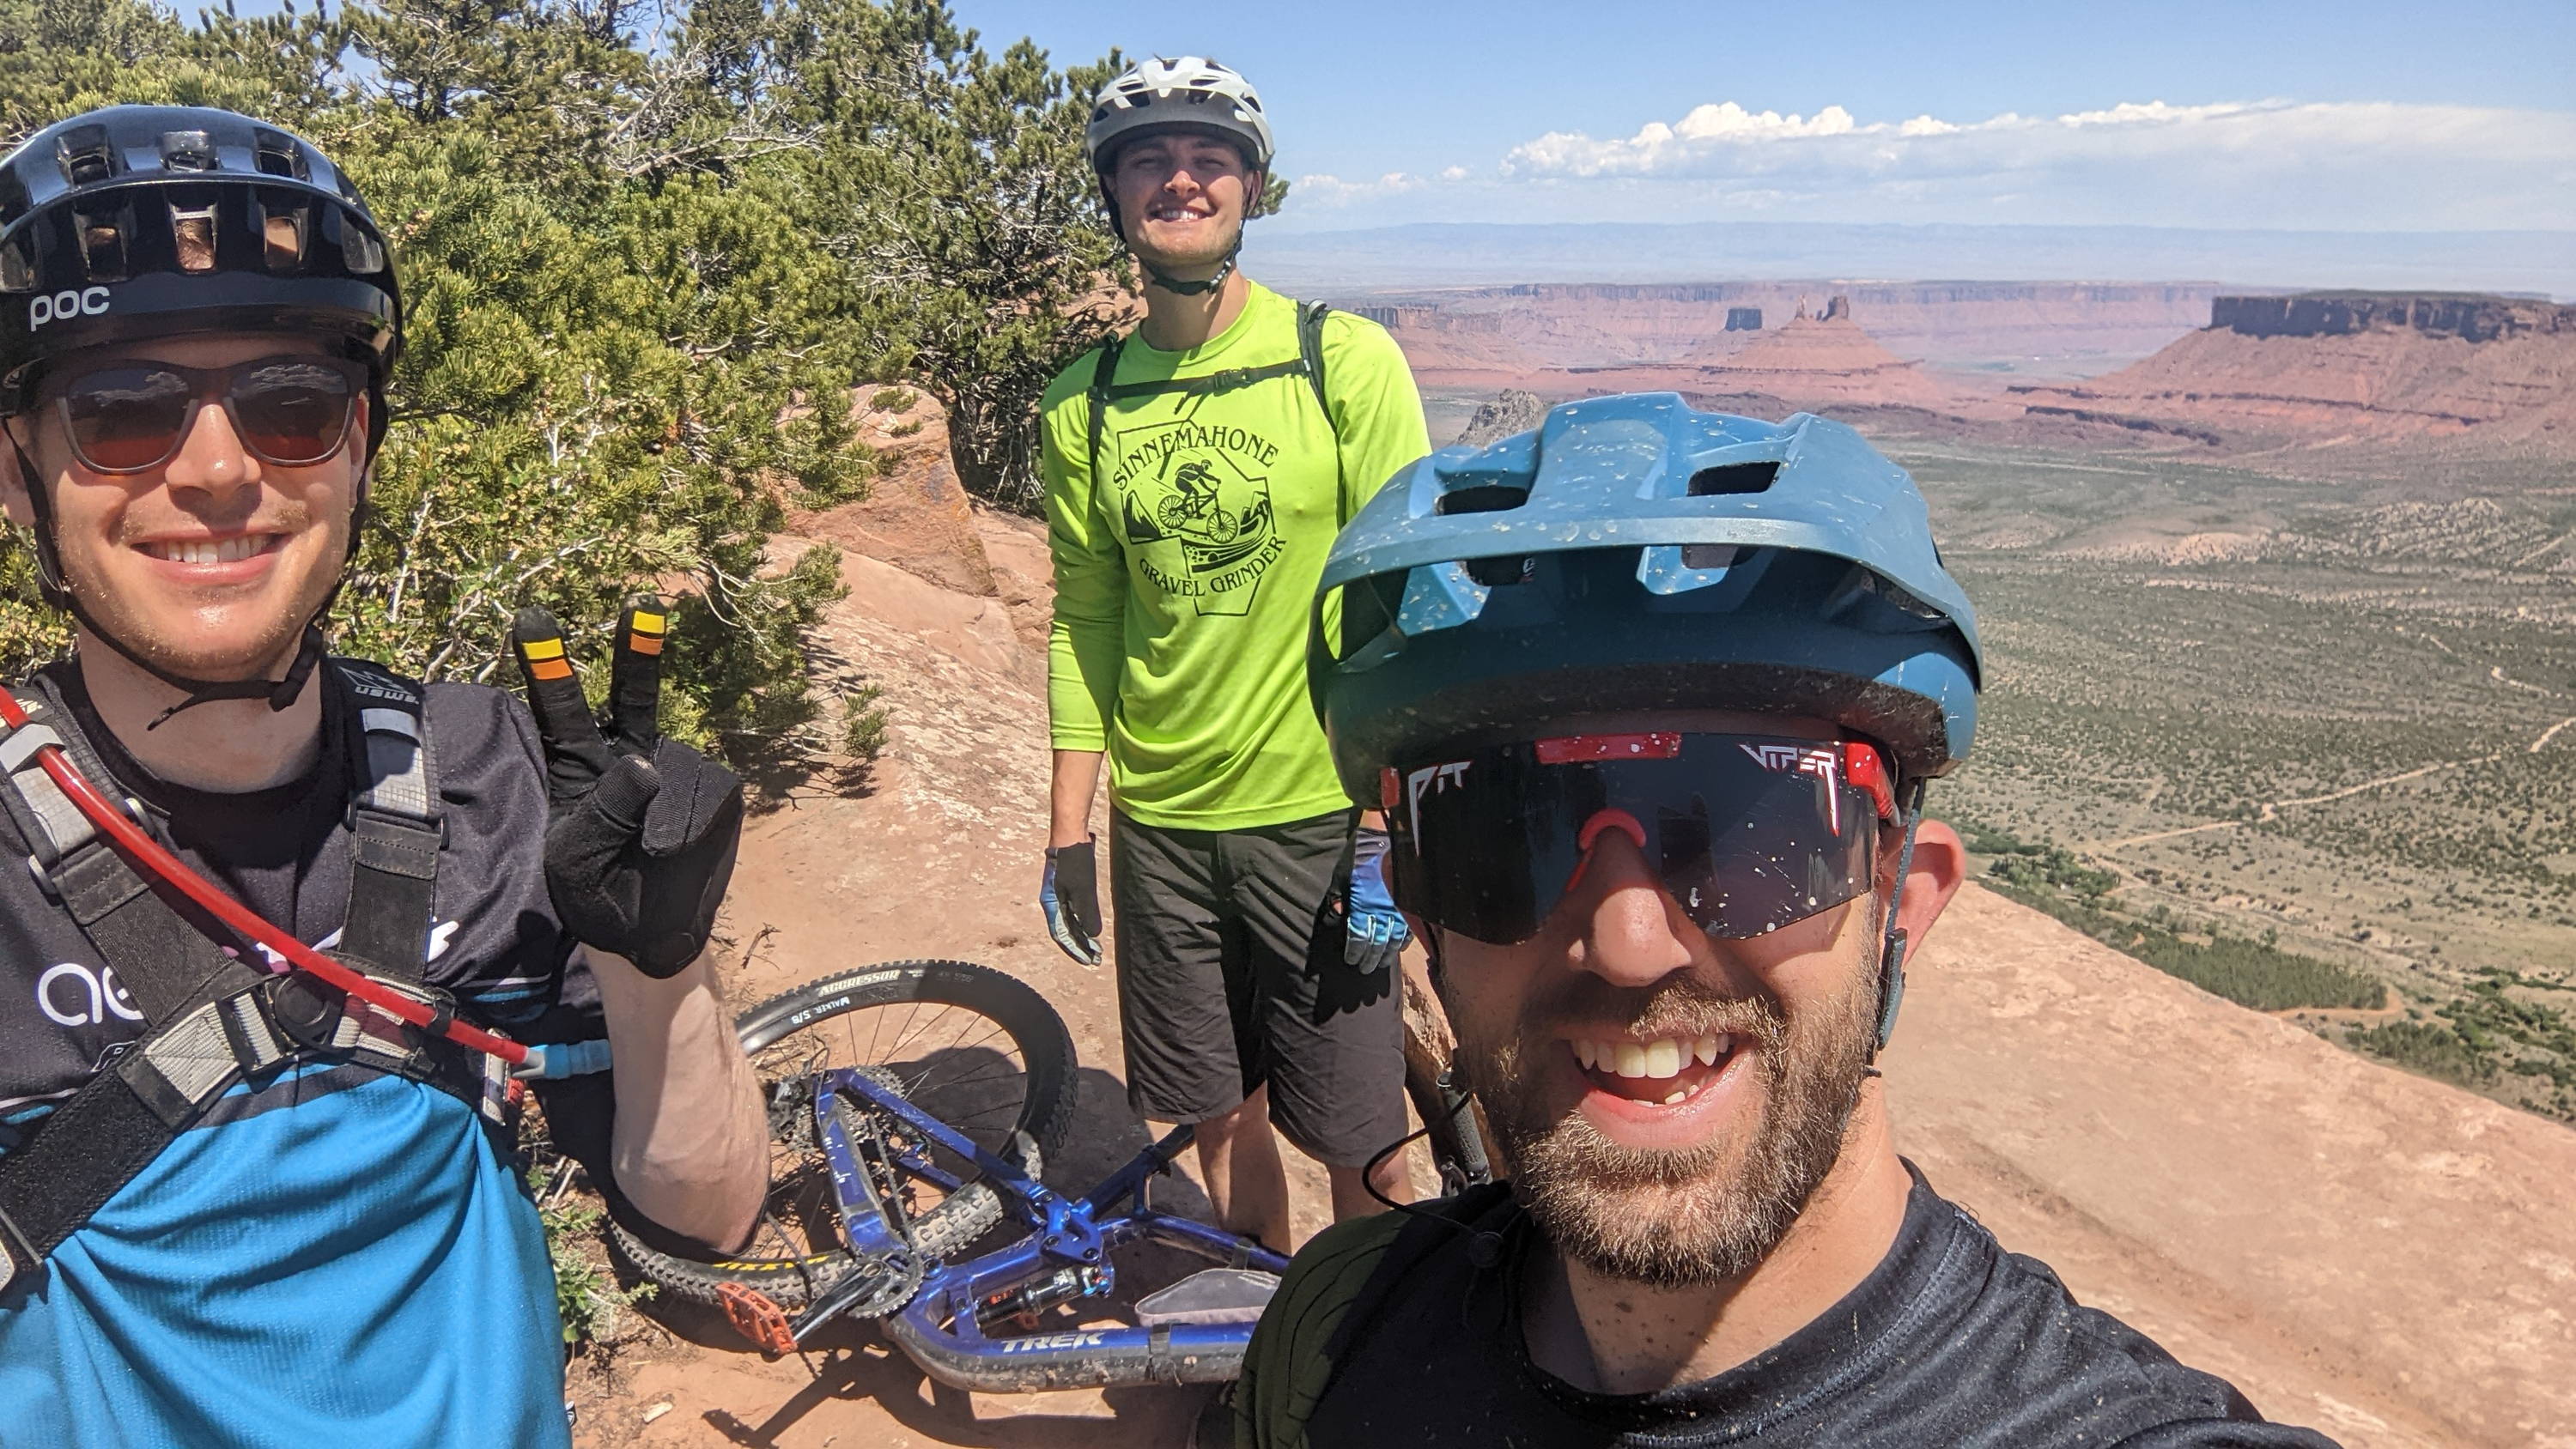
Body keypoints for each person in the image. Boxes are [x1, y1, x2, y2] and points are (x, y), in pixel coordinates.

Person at [1237, 393, 2340, 1446]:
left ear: (1901, 899)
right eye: (1497, 837)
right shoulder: (1335, 1331)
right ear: (1425, 917)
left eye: (1750, 830)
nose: (1629, 942)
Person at [0, 105, 769, 1446]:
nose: (221, 470)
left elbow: (706, 1216)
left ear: (358, 445)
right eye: (122, 413)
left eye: (290, 406)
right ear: (18, 473)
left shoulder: (493, 775)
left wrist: (659, 970)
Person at [1037, 57, 1431, 1253]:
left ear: (1251, 186)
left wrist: (1390, 813)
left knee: (1362, 1136)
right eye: (1147, 160)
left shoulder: (1340, 361)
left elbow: (1405, 596)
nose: (1179, 179)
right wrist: (1070, 830)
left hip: (1318, 818)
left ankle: (1373, 1351)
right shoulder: (1084, 403)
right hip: (1164, 822)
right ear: (1115, 197)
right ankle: (1265, 1313)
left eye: (1208, 158)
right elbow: (1086, 619)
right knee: (1218, 1110)